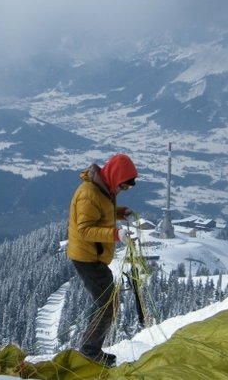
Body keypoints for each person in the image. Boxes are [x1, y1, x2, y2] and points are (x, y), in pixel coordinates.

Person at [67, 153, 138, 367]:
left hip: (93, 256)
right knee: (108, 304)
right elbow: (85, 229)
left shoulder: (102, 189)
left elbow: (102, 212)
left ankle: (90, 349)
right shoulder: (89, 193)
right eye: (124, 186)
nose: (123, 190)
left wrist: (120, 212)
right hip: (87, 257)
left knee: (108, 302)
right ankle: (89, 351)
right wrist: (116, 235)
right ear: (115, 177)